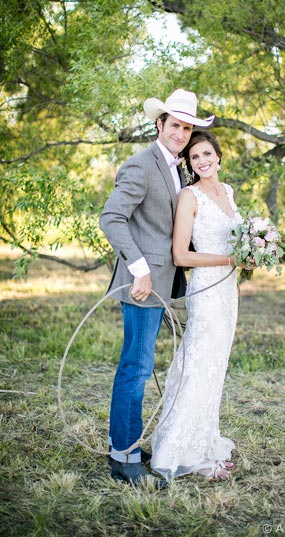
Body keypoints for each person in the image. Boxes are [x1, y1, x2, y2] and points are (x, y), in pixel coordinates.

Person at [99, 89, 215, 488]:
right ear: (159, 125)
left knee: (142, 367)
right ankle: (123, 457)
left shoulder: (175, 167)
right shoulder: (141, 164)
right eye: (176, 125)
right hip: (142, 286)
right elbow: (111, 217)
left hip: (162, 284)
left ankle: (127, 443)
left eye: (187, 128)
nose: (182, 134)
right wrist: (139, 268)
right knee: (135, 369)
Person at [151, 130, 242, 481]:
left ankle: (205, 443)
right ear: (189, 164)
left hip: (228, 291)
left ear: (218, 156)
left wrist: (246, 258)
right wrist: (229, 258)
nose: (202, 161)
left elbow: (234, 242)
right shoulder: (189, 197)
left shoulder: (228, 192)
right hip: (205, 290)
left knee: (216, 366)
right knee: (199, 365)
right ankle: (185, 453)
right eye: (194, 158)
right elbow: (181, 254)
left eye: (207, 154)